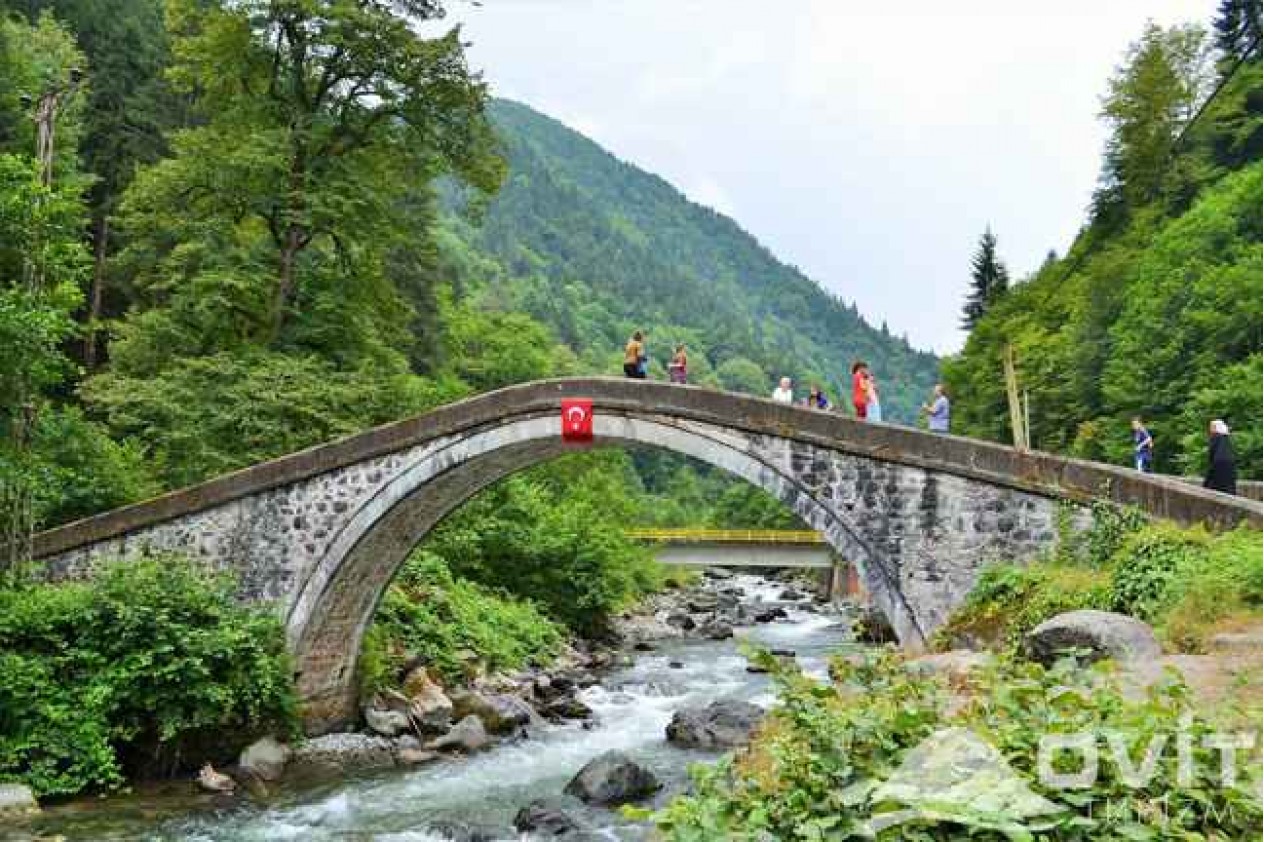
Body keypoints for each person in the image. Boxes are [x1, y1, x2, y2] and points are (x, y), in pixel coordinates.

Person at [1203, 419, 1237, 495]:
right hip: (1229, 468)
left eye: (1211, 427)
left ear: (1216, 428)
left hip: (1218, 466)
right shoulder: (1226, 439)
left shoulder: (1215, 438)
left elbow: (1212, 457)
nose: (1210, 429)